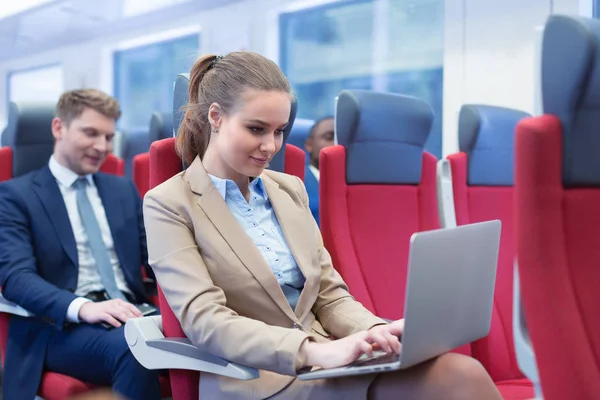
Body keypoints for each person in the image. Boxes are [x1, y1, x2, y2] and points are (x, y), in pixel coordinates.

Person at [143, 52, 503, 399]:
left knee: (456, 372)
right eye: (256, 129)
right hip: (252, 379)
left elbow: (329, 295)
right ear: (216, 117)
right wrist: (314, 351)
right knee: (456, 380)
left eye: (280, 131)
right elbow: (206, 322)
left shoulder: (289, 190)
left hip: (326, 363)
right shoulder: (169, 203)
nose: (270, 146)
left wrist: (375, 331)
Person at [0, 89, 161, 400]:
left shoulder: (122, 189)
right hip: (59, 326)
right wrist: (85, 308)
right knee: (135, 350)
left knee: (210, 335)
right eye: (91, 133)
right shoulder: (15, 196)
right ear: (59, 128)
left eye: (109, 136)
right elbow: (16, 278)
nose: (102, 147)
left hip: (131, 311)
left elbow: (155, 257)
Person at [304, 116, 334, 225]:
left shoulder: (359, 187)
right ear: (309, 145)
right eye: (330, 137)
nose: (337, 144)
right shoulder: (296, 182)